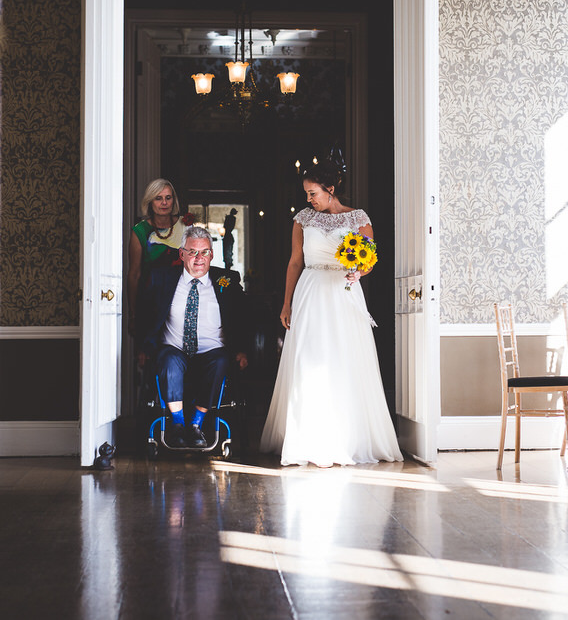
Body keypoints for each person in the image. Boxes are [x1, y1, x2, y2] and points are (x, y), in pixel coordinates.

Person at [260, 161, 402, 467]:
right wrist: (286, 303)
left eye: (313, 193)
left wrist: (359, 272)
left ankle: (346, 438)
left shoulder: (359, 218)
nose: (309, 199)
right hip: (311, 291)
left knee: (345, 360)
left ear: (330, 190)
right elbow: (295, 262)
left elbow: (369, 259)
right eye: (307, 194)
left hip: (343, 294)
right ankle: (305, 437)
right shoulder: (302, 219)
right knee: (308, 359)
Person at [135, 226, 249, 448]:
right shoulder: (162, 278)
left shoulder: (228, 280)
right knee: (168, 360)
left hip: (212, 351)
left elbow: (241, 319)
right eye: (193, 252)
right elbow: (145, 315)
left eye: (205, 252)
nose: (199, 258)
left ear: (212, 254)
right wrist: (143, 347)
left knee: (221, 361)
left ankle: (195, 425)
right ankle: (177, 425)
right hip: (175, 348)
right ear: (182, 254)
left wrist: (242, 350)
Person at [128, 178, 188, 316]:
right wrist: (132, 313)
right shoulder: (140, 231)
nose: (164, 203)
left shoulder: (185, 225)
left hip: (180, 300)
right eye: (158, 198)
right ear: (150, 201)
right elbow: (134, 275)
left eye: (168, 197)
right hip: (150, 303)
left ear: (174, 200)